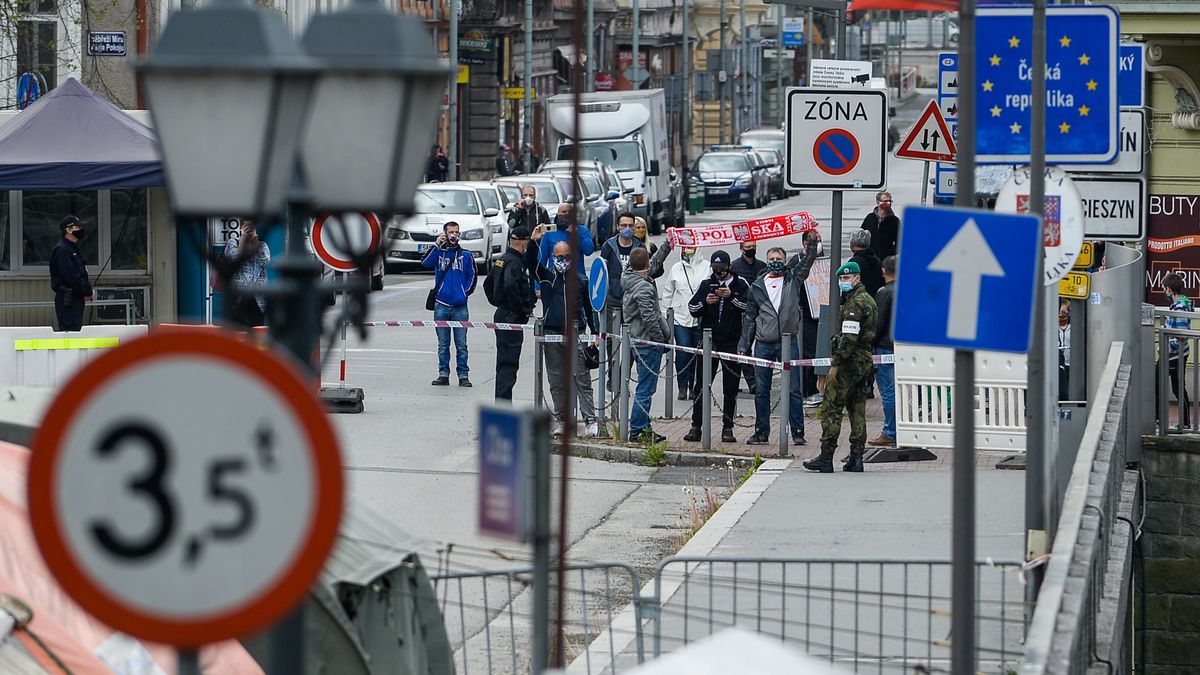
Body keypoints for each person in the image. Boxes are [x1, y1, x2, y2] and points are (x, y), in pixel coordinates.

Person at [739, 236, 821, 446]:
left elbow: (809, 260)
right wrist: (744, 345)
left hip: (788, 341)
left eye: (779, 258)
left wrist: (811, 243)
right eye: (772, 258)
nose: (775, 260)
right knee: (761, 389)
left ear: (785, 261)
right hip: (764, 343)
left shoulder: (793, 279)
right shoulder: (757, 286)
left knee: (794, 389)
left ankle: (798, 432)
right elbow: (749, 317)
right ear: (766, 261)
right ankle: (761, 432)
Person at [803, 261, 878, 473]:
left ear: (857, 277)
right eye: (841, 279)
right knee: (857, 409)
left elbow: (848, 340)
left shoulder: (855, 303)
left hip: (849, 362)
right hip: (864, 361)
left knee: (831, 409)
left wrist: (835, 363)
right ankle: (856, 457)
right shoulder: (868, 300)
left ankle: (826, 457)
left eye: (847, 278)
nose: (843, 282)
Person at [683, 250, 751, 444]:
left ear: (729, 267)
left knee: (730, 387)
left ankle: (727, 427)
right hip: (708, 340)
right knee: (702, 385)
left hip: (732, 341)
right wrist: (706, 302)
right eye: (715, 268)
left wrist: (730, 297)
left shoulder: (740, 284)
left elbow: (749, 307)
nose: (719, 272)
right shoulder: (706, 284)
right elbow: (692, 308)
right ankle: (696, 426)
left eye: (722, 268)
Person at [538, 240, 599, 437]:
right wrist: (534, 242)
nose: (563, 261)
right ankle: (563, 420)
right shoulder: (547, 278)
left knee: (582, 378)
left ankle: (590, 420)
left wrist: (594, 333)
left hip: (577, 334)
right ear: (553, 258)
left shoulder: (581, 280)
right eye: (559, 257)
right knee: (556, 380)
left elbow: (590, 310)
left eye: (567, 257)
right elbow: (531, 262)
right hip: (553, 334)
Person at [623, 247, 672, 444]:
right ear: (647, 265)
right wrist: (659, 339)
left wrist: (668, 245)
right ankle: (638, 429)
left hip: (636, 340)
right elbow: (649, 317)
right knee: (646, 389)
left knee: (645, 387)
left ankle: (643, 427)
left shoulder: (630, 277)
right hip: (647, 342)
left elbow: (653, 263)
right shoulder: (643, 287)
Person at [483, 226, 537, 400]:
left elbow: (487, 284)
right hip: (511, 317)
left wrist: (497, 302)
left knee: (503, 362)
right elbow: (511, 286)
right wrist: (520, 311)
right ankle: (503, 403)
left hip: (502, 314)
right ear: (524, 243)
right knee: (509, 363)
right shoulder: (515, 263)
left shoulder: (503, 259)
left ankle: (502, 401)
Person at [422, 221, 476, 387]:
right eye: (451, 232)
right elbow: (425, 264)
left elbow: (472, 276)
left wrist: (464, 293)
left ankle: (463, 375)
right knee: (443, 344)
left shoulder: (466, 255)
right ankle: (443, 373)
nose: (454, 235)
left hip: (460, 306)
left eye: (456, 232)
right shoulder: (439, 253)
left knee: (461, 344)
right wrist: (437, 246)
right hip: (441, 305)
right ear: (445, 234)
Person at [660, 245, 710, 400]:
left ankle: (693, 386)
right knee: (683, 351)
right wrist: (664, 315)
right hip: (680, 317)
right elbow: (668, 291)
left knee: (696, 353)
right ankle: (682, 386)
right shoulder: (676, 268)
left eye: (691, 247)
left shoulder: (707, 267)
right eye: (684, 247)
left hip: (699, 318)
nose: (687, 250)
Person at [731, 240, 766, 395]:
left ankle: (758, 380)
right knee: (743, 348)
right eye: (748, 247)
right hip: (740, 313)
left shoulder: (762, 266)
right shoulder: (735, 267)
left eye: (753, 247)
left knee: (760, 347)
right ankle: (750, 381)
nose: (751, 249)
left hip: (760, 313)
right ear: (741, 249)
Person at [1158, 273, 1192, 428]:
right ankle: (1159, 417)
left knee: (1177, 387)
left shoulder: (1180, 307)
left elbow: (1181, 336)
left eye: (1164, 288)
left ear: (1169, 290)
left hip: (1175, 354)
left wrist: (1165, 345)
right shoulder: (1179, 305)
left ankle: (1184, 423)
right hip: (1172, 353)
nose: (1164, 291)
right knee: (1161, 382)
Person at [869, 255, 897, 447]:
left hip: (884, 347)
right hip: (902, 347)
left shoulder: (884, 292)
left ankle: (890, 431)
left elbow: (878, 324)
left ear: (883, 271)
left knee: (887, 391)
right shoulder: (908, 290)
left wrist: (870, 343)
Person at [49, 215, 92, 332]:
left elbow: (80, 272)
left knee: (76, 329)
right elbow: (71, 277)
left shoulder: (72, 248)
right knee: (69, 331)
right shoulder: (62, 250)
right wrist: (86, 291)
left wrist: (87, 289)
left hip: (75, 297)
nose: (81, 230)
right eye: (77, 227)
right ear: (68, 230)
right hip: (68, 299)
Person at [224, 219, 270, 328]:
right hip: (238, 297)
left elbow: (265, 262)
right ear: (241, 227)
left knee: (257, 331)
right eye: (246, 226)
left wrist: (256, 243)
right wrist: (243, 240)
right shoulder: (233, 242)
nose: (249, 229)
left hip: (258, 298)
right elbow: (233, 260)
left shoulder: (262, 245)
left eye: (252, 227)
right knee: (238, 332)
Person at [799, 229, 825, 408]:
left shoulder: (824, 261)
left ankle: (821, 389)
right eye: (813, 242)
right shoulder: (798, 262)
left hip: (823, 314)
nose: (817, 245)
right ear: (804, 244)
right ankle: (809, 390)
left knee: (822, 353)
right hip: (806, 316)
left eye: (819, 241)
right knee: (808, 355)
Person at [534, 202, 594, 275]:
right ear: (558, 214)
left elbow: (589, 251)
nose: (567, 214)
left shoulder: (583, 231)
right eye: (564, 212)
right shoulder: (549, 233)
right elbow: (541, 261)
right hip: (555, 279)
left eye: (570, 212)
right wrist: (538, 284)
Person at [860, 191, 899, 259]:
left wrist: (889, 254)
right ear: (878, 202)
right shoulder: (870, 218)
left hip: (885, 260)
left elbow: (900, 241)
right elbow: (861, 236)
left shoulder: (895, 221)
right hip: (869, 258)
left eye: (890, 201)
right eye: (885, 201)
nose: (888, 203)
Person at [848, 229, 885, 296]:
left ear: (852, 244)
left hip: (859, 301)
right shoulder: (877, 261)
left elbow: (849, 285)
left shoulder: (854, 263)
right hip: (874, 300)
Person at [1057, 299, 1071, 402]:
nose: (1060, 315)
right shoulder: (1053, 328)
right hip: (1058, 366)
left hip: (1070, 365)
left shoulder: (1073, 329)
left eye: (1063, 312)